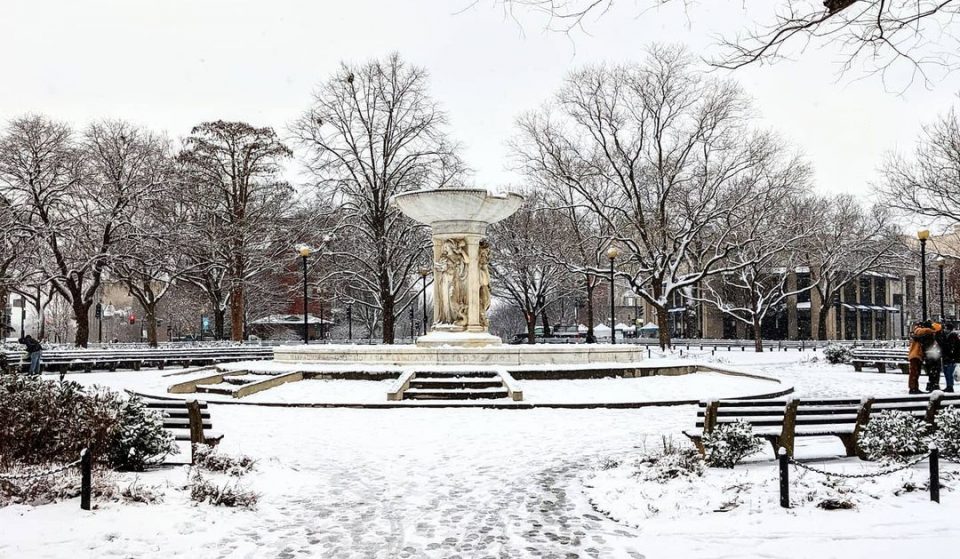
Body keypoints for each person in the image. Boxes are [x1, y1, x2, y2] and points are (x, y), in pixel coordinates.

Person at [909, 321, 936, 394]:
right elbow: (925, 331)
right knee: (914, 372)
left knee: (915, 373)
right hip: (916, 355)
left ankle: (914, 387)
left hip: (916, 355)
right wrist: (933, 330)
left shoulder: (917, 335)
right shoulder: (919, 331)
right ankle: (913, 388)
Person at [924, 320, 944, 392]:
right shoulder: (936, 335)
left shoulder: (928, 334)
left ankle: (932, 384)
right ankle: (935, 384)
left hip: (929, 355)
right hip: (935, 355)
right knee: (935, 371)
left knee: (931, 371)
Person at [942, 322, 959, 393]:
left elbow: (951, 348)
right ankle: (949, 386)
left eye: (945, 328)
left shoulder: (952, 336)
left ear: (949, 329)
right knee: (947, 372)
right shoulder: (949, 336)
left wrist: (951, 356)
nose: (944, 329)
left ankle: (950, 386)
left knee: (948, 373)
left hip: (950, 358)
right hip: (949, 357)